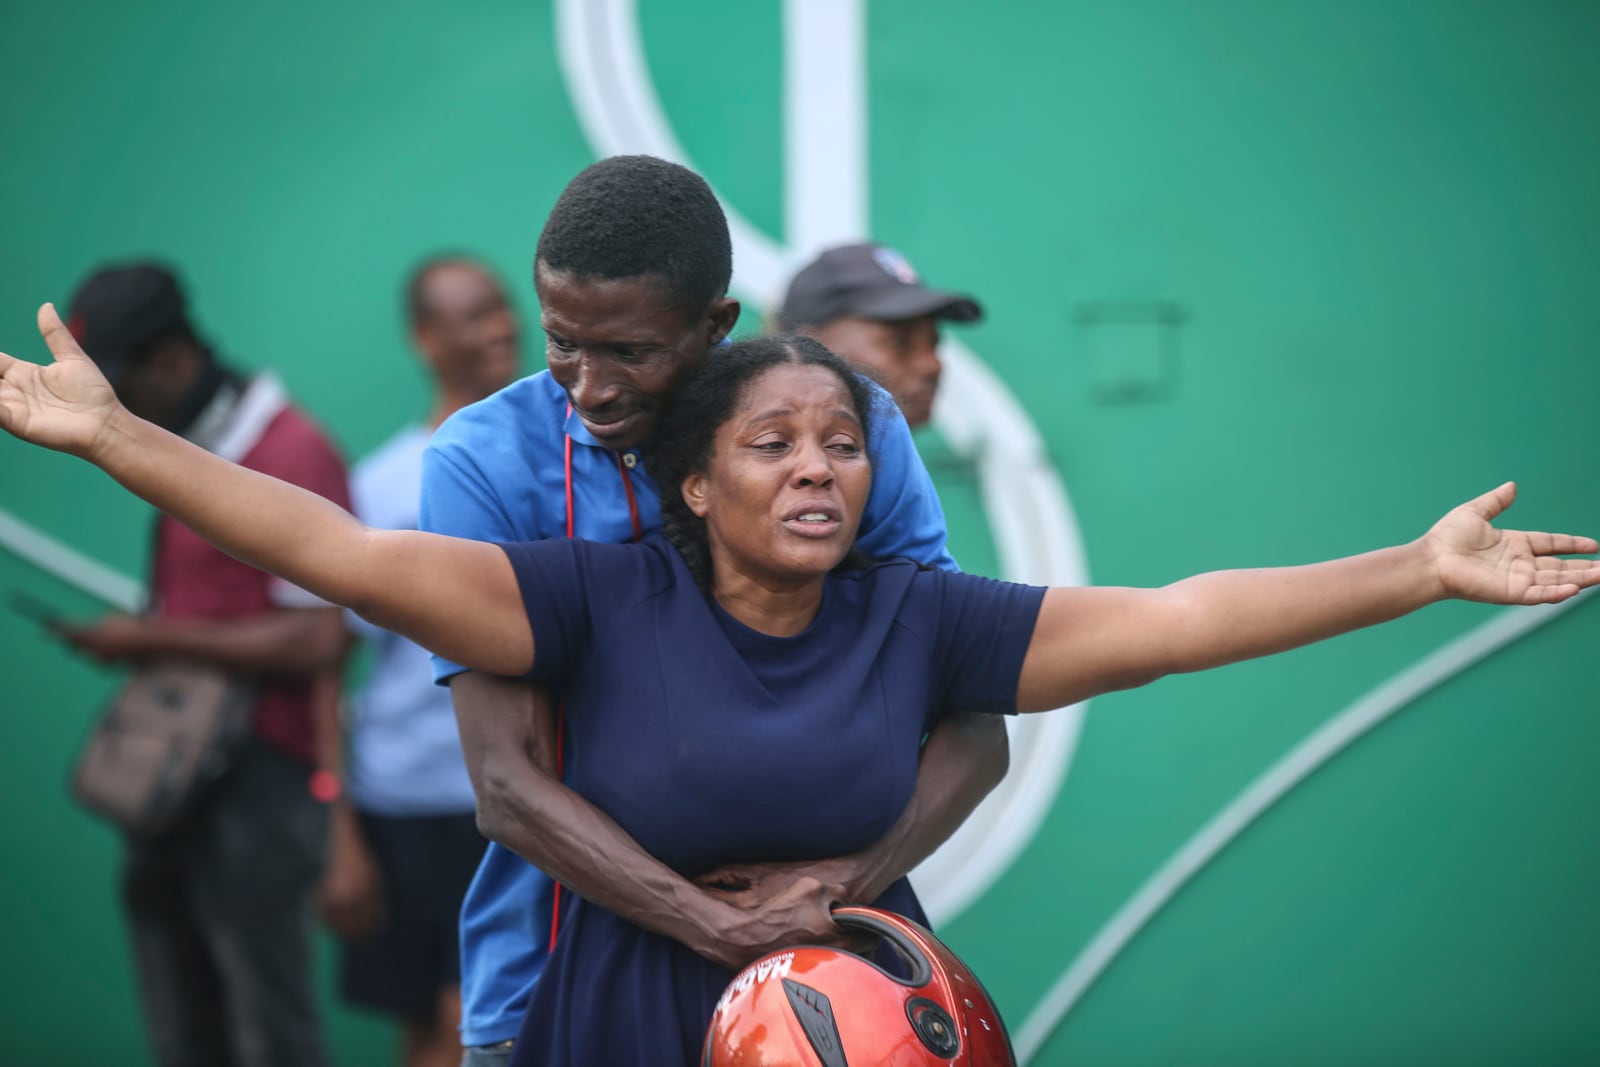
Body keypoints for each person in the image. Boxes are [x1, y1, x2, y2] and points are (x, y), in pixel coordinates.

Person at [4, 317, 1594, 1066]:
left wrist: (1415, 566)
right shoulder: (591, 600)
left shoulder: (920, 618)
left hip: (866, 1030)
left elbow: (1176, 617)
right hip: (620, 1023)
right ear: (692, 480)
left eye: (841, 439)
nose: (819, 465)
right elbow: (340, 551)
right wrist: (115, 439)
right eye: (774, 443)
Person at [421, 155, 1007, 1065]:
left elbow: (975, 722)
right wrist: (715, 923)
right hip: (542, 984)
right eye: (563, 341)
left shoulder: (849, 434)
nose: (591, 386)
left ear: (716, 324)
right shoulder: (481, 459)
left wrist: (835, 888)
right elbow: (505, 782)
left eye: (632, 351)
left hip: (817, 994)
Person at [47, 266, 350, 1067]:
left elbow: (317, 639)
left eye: (117, 383)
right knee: (183, 1031)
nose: (105, 406)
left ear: (174, 361)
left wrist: (151, 640)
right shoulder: (188, 445)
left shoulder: (290, 448)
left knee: (268, 1032)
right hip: (176, 787)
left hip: (262, 786)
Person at [323, 256, 519, 1067]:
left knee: (486, 1019)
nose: (499, 327)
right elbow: (325, 670)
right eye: (469, 316)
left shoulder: (564, 455)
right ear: (425, 340)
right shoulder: (381, 487)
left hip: (527, 800)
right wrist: (339, 831)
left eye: (501, 306)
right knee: (439, 1030)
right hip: (411, 809)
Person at [777, 242, 983, 429]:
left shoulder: (897, 468)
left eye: (934, 344)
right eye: (900, 343)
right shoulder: (758, 469)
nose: (932, 365)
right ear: (810, 349)